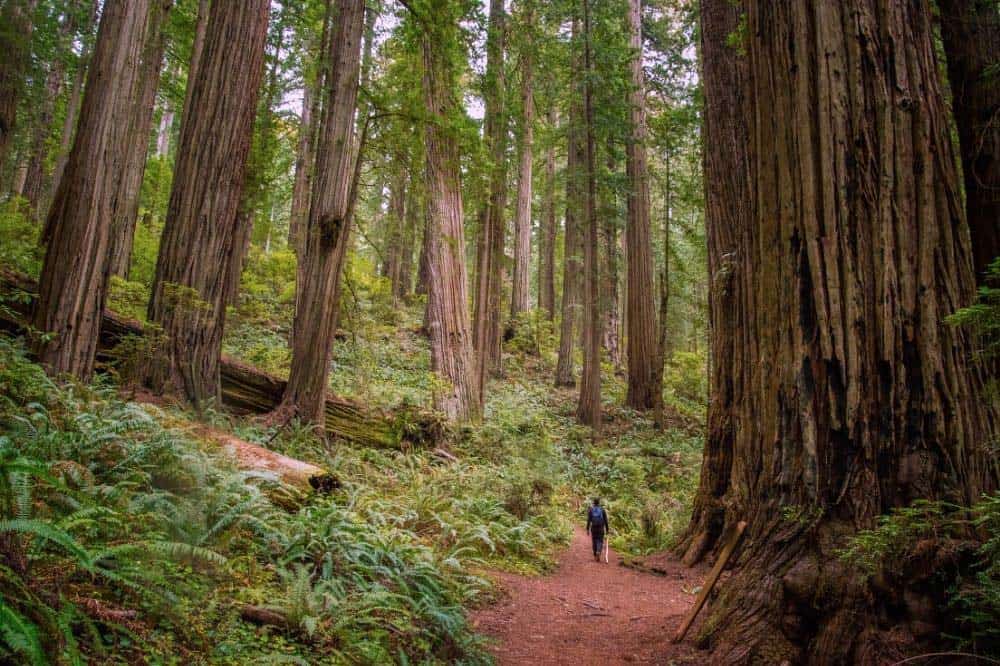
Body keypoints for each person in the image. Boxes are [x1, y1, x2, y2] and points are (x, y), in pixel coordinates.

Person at [585, 498, 610, 562]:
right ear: (599, 503)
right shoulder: (602, 510)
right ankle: (598, 551)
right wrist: (607, 529)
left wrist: (587, 529)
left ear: (594, 503)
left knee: (594, 541)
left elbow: (588, 520)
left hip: (593, 528)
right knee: (600, 541)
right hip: (601, 528)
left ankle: (595, 554)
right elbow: (606, 520)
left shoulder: (591, 510)